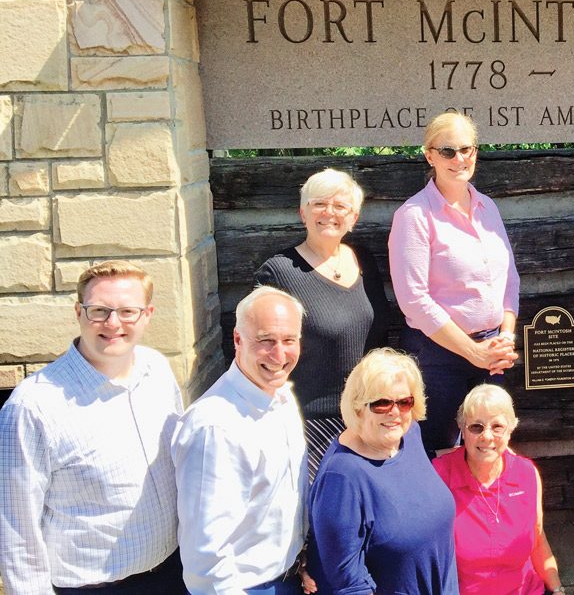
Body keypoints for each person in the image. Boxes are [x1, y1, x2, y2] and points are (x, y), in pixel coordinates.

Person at [0, 260, 186, 594]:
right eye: (99, 310)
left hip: (172, 572)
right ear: (78, 312)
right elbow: (16, 532)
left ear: (147, 314)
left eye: (128, 311)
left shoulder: (157, 371)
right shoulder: (33, 407)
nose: (113, 323)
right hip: (91, 587)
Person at [389, 111, 519, 454]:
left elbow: (509, 279)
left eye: (467, 149)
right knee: (440, 452)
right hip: (438, 358)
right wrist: (471, 351)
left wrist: (505, 336)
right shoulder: (414, 216)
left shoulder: (487, 207)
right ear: (429, 155)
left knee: (488, 449)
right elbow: (414, 300)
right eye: (448, 151)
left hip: (491, 353)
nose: (459, 159)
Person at [255, 167, 389, 479]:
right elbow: (259, 355)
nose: (329, 212)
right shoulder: (278, 273)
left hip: (369, 414)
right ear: (303, 212)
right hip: (311, 423)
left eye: (340, 206)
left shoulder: (364, 261)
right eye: (319, 204)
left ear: (353, 218)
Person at [172, 286, 308, 594]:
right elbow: (205, 559)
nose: (279, 355)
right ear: (237, 340)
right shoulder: (215, 428)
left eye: (289, 340)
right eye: (265, 341)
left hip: (289, 577)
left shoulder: (281, 396)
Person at [307, 348, 458, 594]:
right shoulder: (342, 477)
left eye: (404, 402)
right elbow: (348, 584)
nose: (395, 412)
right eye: (381, 403)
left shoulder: (410, 436)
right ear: (357, 408)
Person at [433, 384, 563, 594]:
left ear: (510, 431)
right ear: (462, 431)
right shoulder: (440, 476)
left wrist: (558, 589)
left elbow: (538, 541)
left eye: (497, 427)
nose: (487, 436)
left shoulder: (527, 474)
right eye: (476, 426)